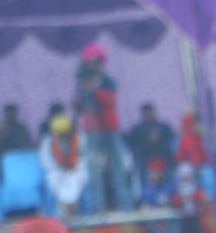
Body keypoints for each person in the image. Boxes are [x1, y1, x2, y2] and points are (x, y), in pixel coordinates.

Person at [75, 42, 133, 212]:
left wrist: (94, 89)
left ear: (102, 63)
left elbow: (110, 100)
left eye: (96, 62)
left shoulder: (108, 81)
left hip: (110, 129)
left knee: (118, 169)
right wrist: (81, 95)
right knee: (94, 171)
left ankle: (126, 207)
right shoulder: (83, 81)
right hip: (92, 130)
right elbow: (82, 107)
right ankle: (96, 210)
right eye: (90, 63)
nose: (94, 66)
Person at [39, 113, 89, 218]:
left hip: (77, 169)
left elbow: (86, 157)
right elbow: (45, 161)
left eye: (64, 132)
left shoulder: (80, 137)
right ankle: (62, 211)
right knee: (53, 179)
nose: (62, 135)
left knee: (78, 179)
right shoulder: (48, 140)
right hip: (57, 170)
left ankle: (72, 209)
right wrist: (60, 167)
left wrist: (75, 165)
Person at [127, 103, 175, 180]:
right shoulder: (136, 130)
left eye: (151, 112)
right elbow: (133, 146)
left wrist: (159, 139)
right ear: (143, 114)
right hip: (145, 163)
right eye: (147, 112)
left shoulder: (164, 127)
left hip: (164, 161)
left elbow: (170, 142)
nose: (150, 114)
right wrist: (146, 139)